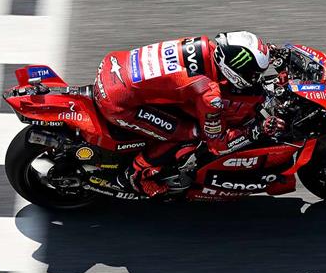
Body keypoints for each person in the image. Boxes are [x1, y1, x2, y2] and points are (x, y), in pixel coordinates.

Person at [93, 31, 287, 197]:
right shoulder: (209, 95)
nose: (256, 79)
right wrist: (256, 130)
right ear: (234, 69)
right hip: (117, 103)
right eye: (253, 74)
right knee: (191, 134)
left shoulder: (204, 45)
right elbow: (217, 145)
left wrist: (269, 54)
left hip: (116, 64)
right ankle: (134, 176)